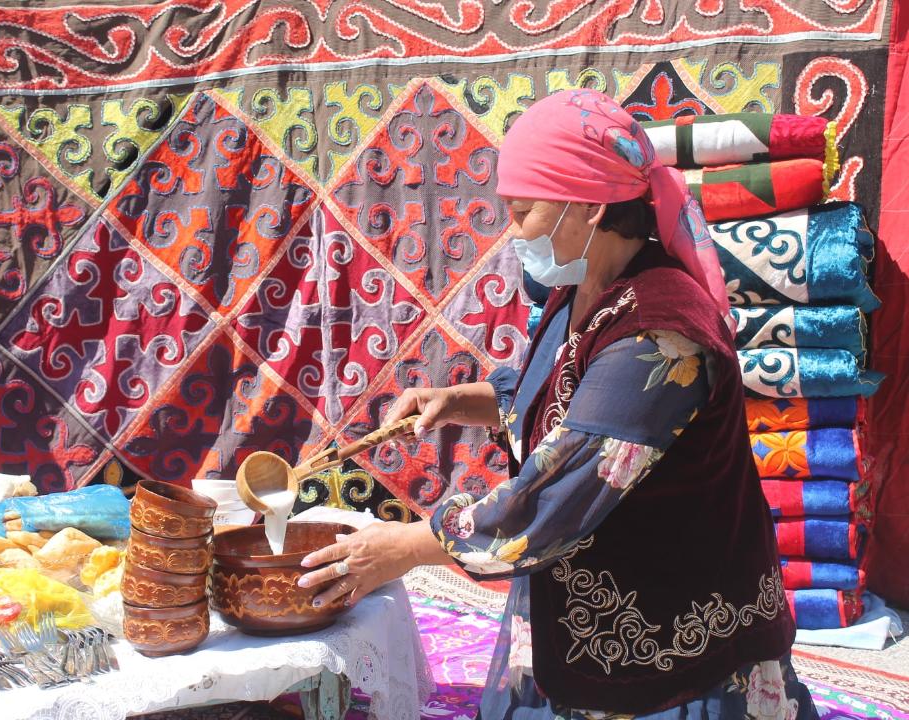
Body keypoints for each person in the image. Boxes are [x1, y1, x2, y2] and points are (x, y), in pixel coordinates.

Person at [298, 90, 815, 719]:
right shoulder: (587, 287)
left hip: (673, 631)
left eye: (523, 213)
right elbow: (556, 392)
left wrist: (406, 547)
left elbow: (557, 492)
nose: (513, 233)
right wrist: (460, 400)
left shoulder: (660, 331)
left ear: (590, 208)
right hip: (605, 613)